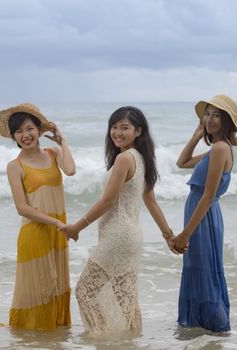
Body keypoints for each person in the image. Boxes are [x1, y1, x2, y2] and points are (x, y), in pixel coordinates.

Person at [61, 106, 175, 334]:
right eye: (114, 127)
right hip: (131, 238)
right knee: (127, 301)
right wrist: (168, 236)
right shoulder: (142, 158)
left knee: (85, 291)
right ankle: (129, 341)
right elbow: (150, 201)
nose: (117, 132)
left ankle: (103, 341)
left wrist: (76, 227)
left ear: (138, 131)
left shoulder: (124, 159)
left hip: (118, 237)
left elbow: (108, 201)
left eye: (124, 128)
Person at [0, 103, 76, 330]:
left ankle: (52, 339)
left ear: (39, 130)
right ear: (14, 137)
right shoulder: (15, 166)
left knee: (56, 284)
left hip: (57, 232)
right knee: (39, 289)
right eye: (18, 132)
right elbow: (23, 208)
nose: (25, 135)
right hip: (36, 232)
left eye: (29, 128)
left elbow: (70, 170)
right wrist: (57, 222)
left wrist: (63, 141)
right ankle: (31, 338)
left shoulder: (54, 153)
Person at [172, 95, 237, 332]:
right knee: (200, 268)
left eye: (216, 115)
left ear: (227, 121)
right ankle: (203, 331)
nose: (209, 119)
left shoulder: (221, 148)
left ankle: (218, 328)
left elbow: (208, 195)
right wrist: (196, 136)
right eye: (207, 114)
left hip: (203, 215)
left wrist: (185, 234)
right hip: (203, 213)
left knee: (203, 270)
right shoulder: (216, 149)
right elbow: (182, 162)